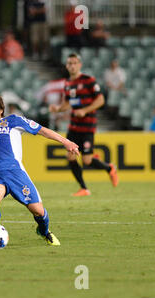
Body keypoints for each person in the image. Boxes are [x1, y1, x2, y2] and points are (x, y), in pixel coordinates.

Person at [0, 90, 80, 245]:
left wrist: (65, 142)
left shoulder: (14, 121)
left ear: (1, 110)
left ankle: (44, 231)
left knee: (38, 211)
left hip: (15, 174)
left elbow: (42, 130)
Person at [49, 53, 118, 196]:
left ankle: (109, 168)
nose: (72, 66)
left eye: (75, 63)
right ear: (67, 66)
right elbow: (68, 103)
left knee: (87, 160)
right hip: (73, 127)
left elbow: (100, 100)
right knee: (71, 157)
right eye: (70, 63)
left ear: (80, 64)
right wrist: (58, 108)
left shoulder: (89, 80)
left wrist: (85, 110)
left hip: (87, 126)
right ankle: (84, 188)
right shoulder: (68, 83)